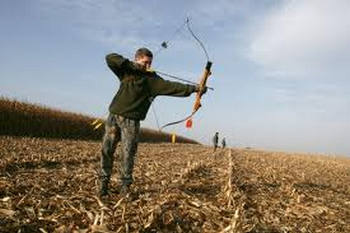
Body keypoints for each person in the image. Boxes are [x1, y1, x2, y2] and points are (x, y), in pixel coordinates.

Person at [100, 48, 207, 196]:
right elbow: (110, 57)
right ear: (136, 59)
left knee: (128, 153)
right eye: (145, 63)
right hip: (114, 117)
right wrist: (132, 66)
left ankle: (125, 188)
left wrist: (195, 89)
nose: (148, 66)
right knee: (107, 150)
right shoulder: (127, 71)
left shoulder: (152, 80)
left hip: (131, 121)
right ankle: (103, 185)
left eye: (150, 63)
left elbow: (173, 87)